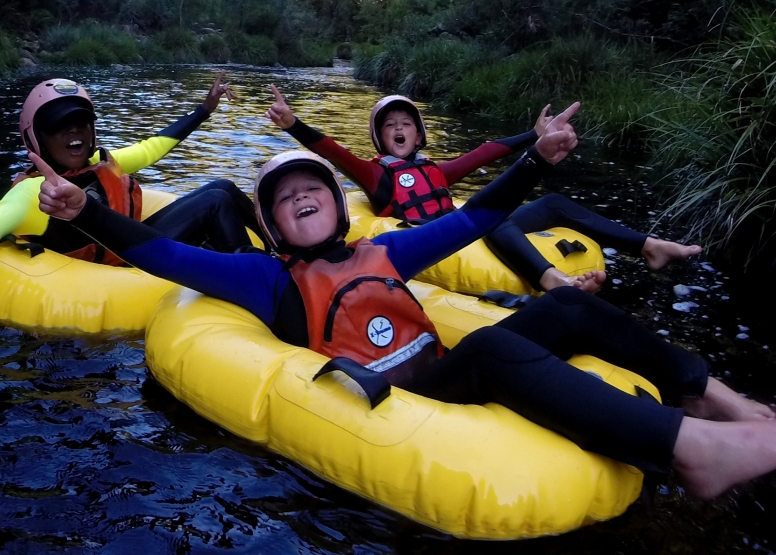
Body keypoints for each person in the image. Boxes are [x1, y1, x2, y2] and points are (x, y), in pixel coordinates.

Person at [34, 103, 776, 500]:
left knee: (570, 311)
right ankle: (691, 449)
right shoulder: (266, 280)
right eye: (283, 198)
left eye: (311, 189)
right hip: (407, 391)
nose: (301, 199)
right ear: (269, 223)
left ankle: (715, 398)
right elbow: (163, 254)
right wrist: (82, 213)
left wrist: (534, 160)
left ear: (334, 203)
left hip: (447, 363)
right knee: (489, 346)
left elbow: (473, 218)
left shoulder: (383, 251)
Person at [266, 86, 702, 292]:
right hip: (439, 236)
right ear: (380, 140)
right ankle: (551, 280)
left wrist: (533, 137)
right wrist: (293, 125)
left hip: (465, 221)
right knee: (486, 217)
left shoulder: (437, 171)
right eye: (390, 126)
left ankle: (649, 246)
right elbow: (335, 152)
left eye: (406, 125)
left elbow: (484, 153)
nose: (399, 130)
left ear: (419, 137)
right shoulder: (377, 176)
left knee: (550, 202)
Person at [0, 72, 260, 264]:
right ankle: (258, 283)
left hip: (129, 247)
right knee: (215, 201)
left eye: (82, 121)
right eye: (59, 124)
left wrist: (204, 109)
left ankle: (280, 249)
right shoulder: (29, 194)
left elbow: (152, 147)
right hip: (115, 268)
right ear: (36, 137)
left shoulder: (98, 165)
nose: (74, 129)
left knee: (223, 188)